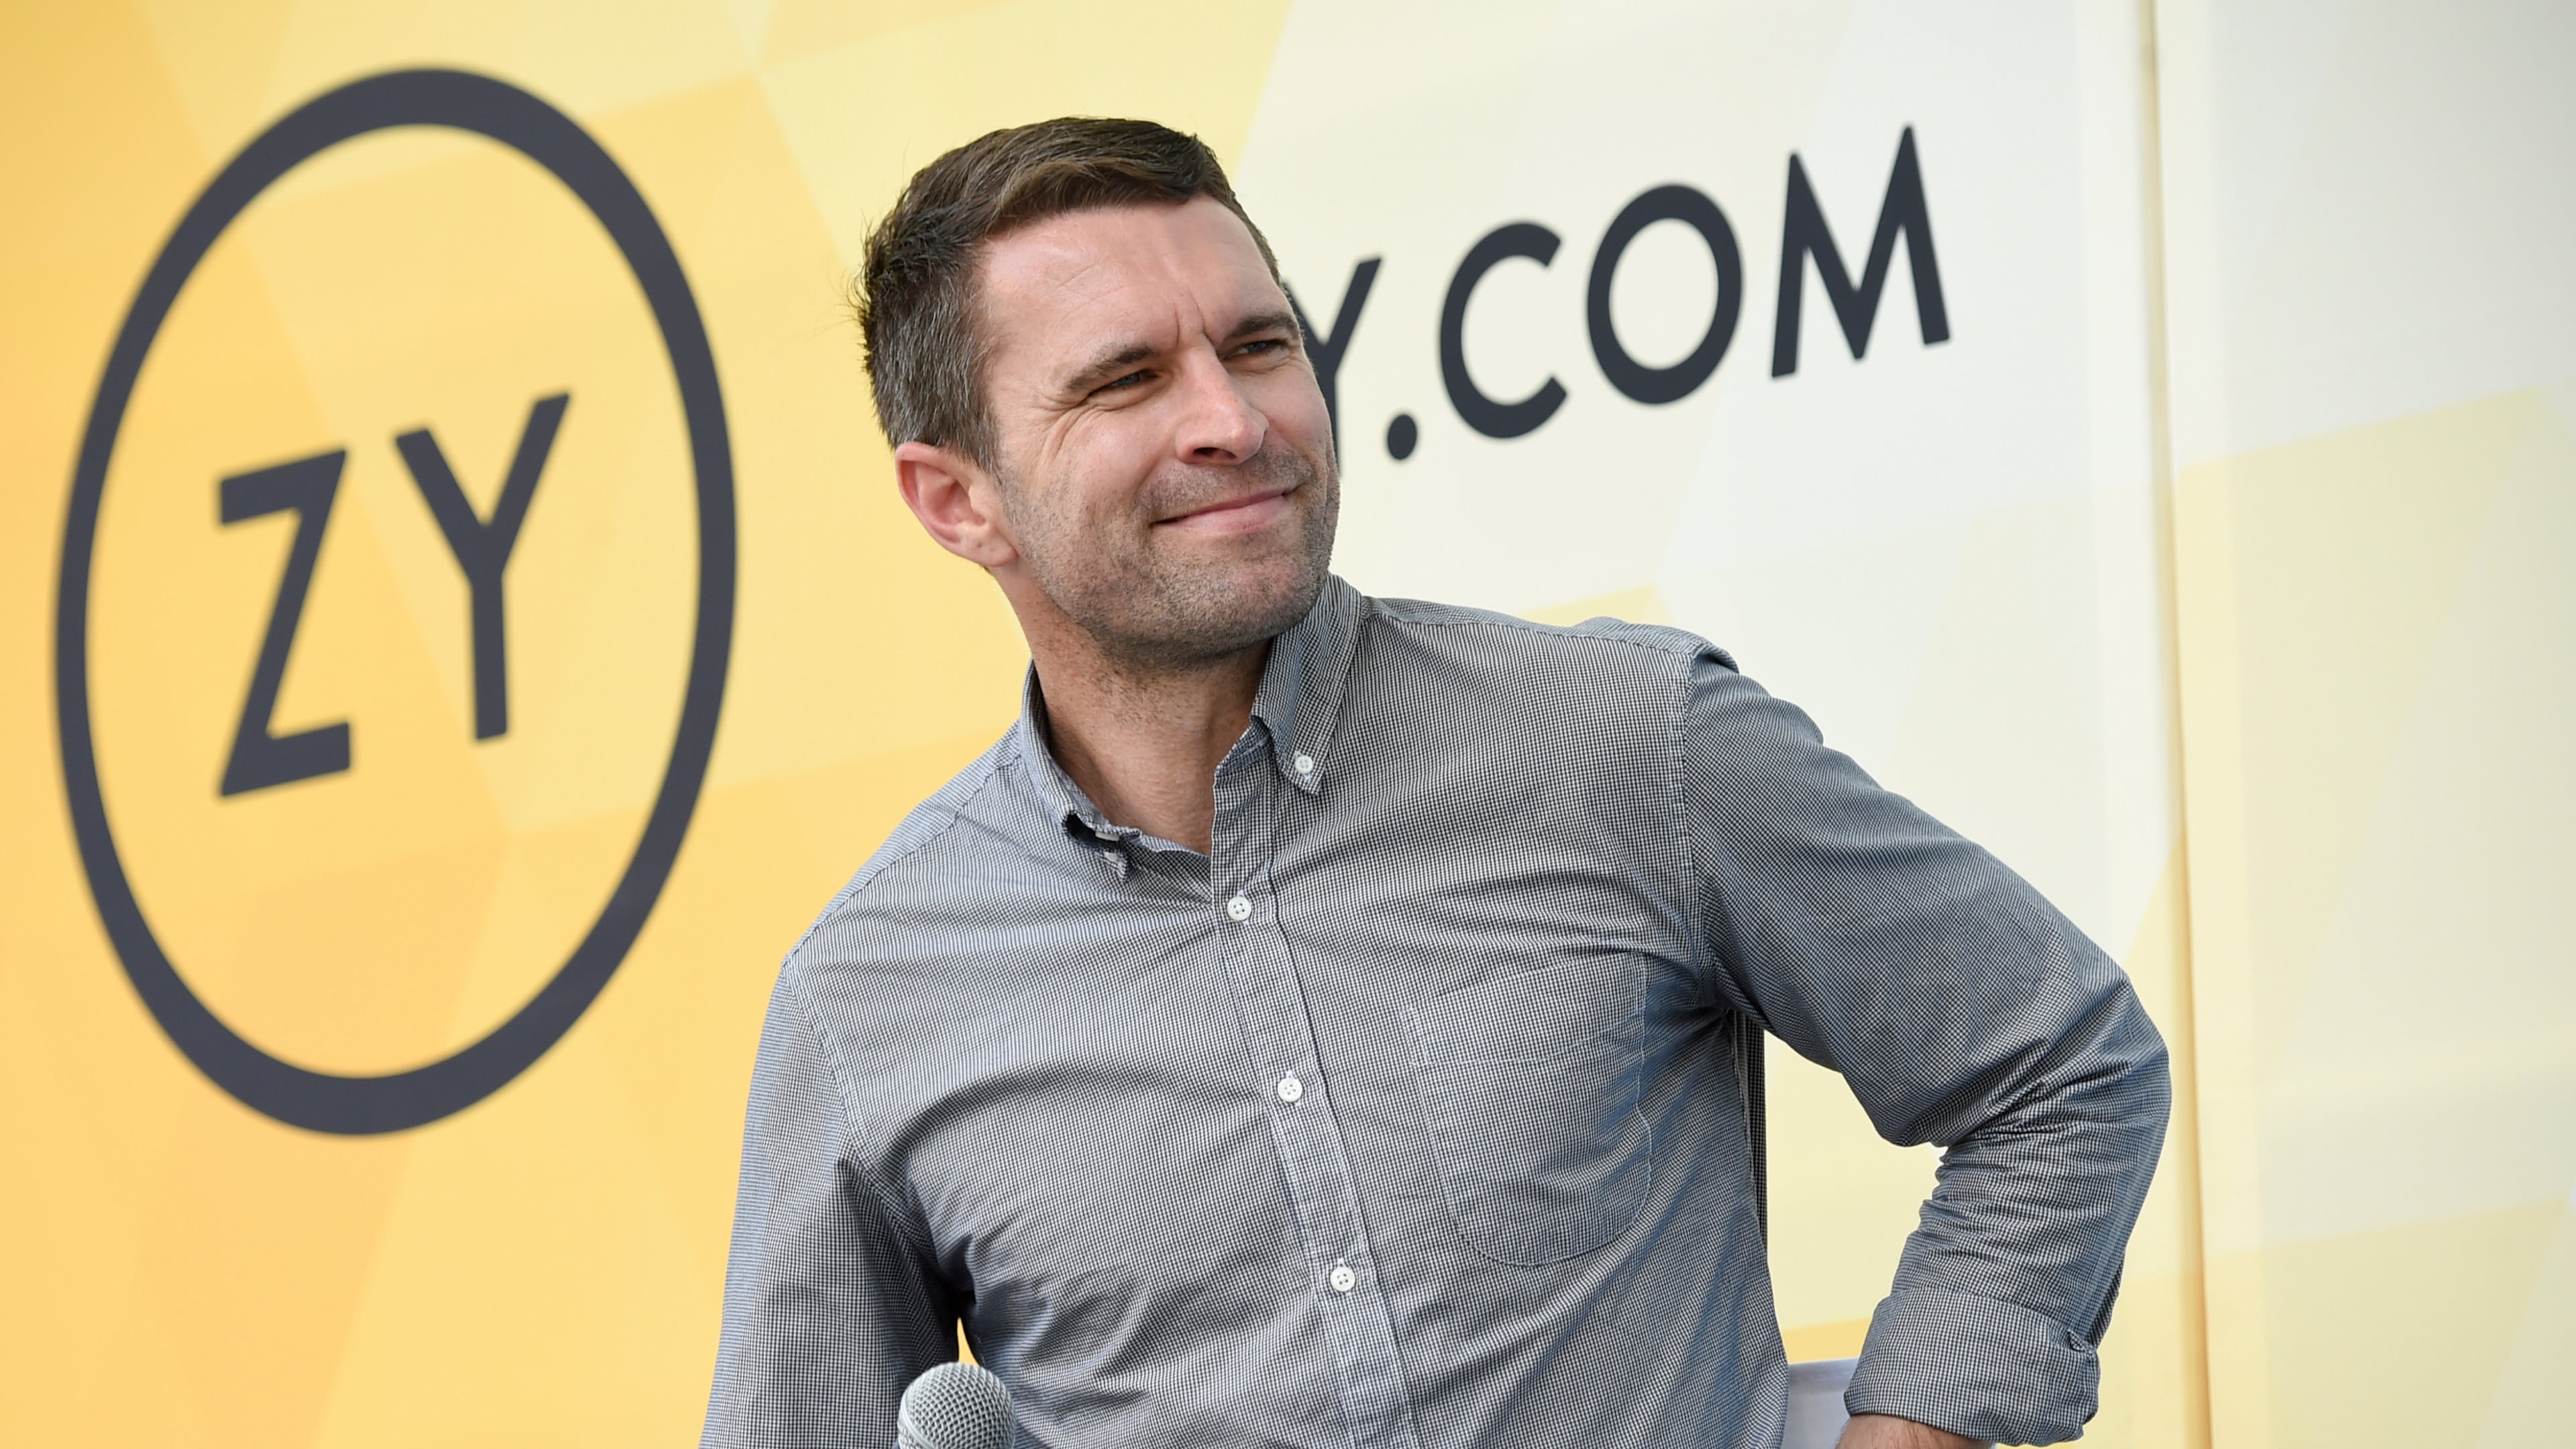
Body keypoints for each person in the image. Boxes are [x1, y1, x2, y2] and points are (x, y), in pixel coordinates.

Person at [700, 118, 2167, 1449]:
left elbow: (2065, 1066)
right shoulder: (873, 992)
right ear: (956, 500)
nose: (1234, 417)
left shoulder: (1627, 743)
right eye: (1128, 380)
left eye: (1260, 346)